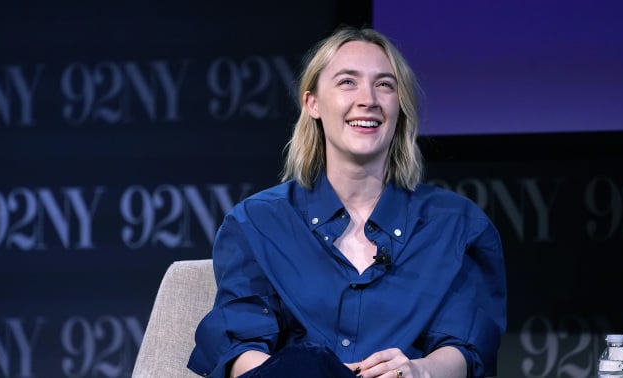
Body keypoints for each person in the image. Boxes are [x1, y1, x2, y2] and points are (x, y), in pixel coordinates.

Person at [187, 25, 507, 378]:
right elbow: (240, 346)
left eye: (385, 84)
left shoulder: (457, 225)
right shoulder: (257, 222)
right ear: (312, 103)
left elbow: (464, 347)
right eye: (347, 82)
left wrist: (419, 371)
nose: (368, 99)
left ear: (399, 106)